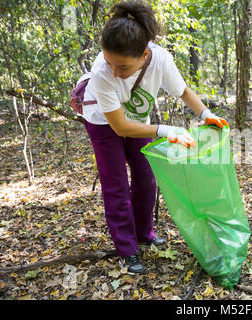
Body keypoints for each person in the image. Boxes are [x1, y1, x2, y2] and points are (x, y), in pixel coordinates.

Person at [82, 0, 228, 274]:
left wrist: (206, 113)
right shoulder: (102, 71)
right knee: (116, 186)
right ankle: (127, 250)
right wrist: (165, 130)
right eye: (110, 63)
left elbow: (182, 91)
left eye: (123, 68)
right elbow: (121, 127)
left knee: (147, 179)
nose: (115, 72)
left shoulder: (159, 59)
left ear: (144, 55)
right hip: (103, 123)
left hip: (137, 121)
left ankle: (144, 234)